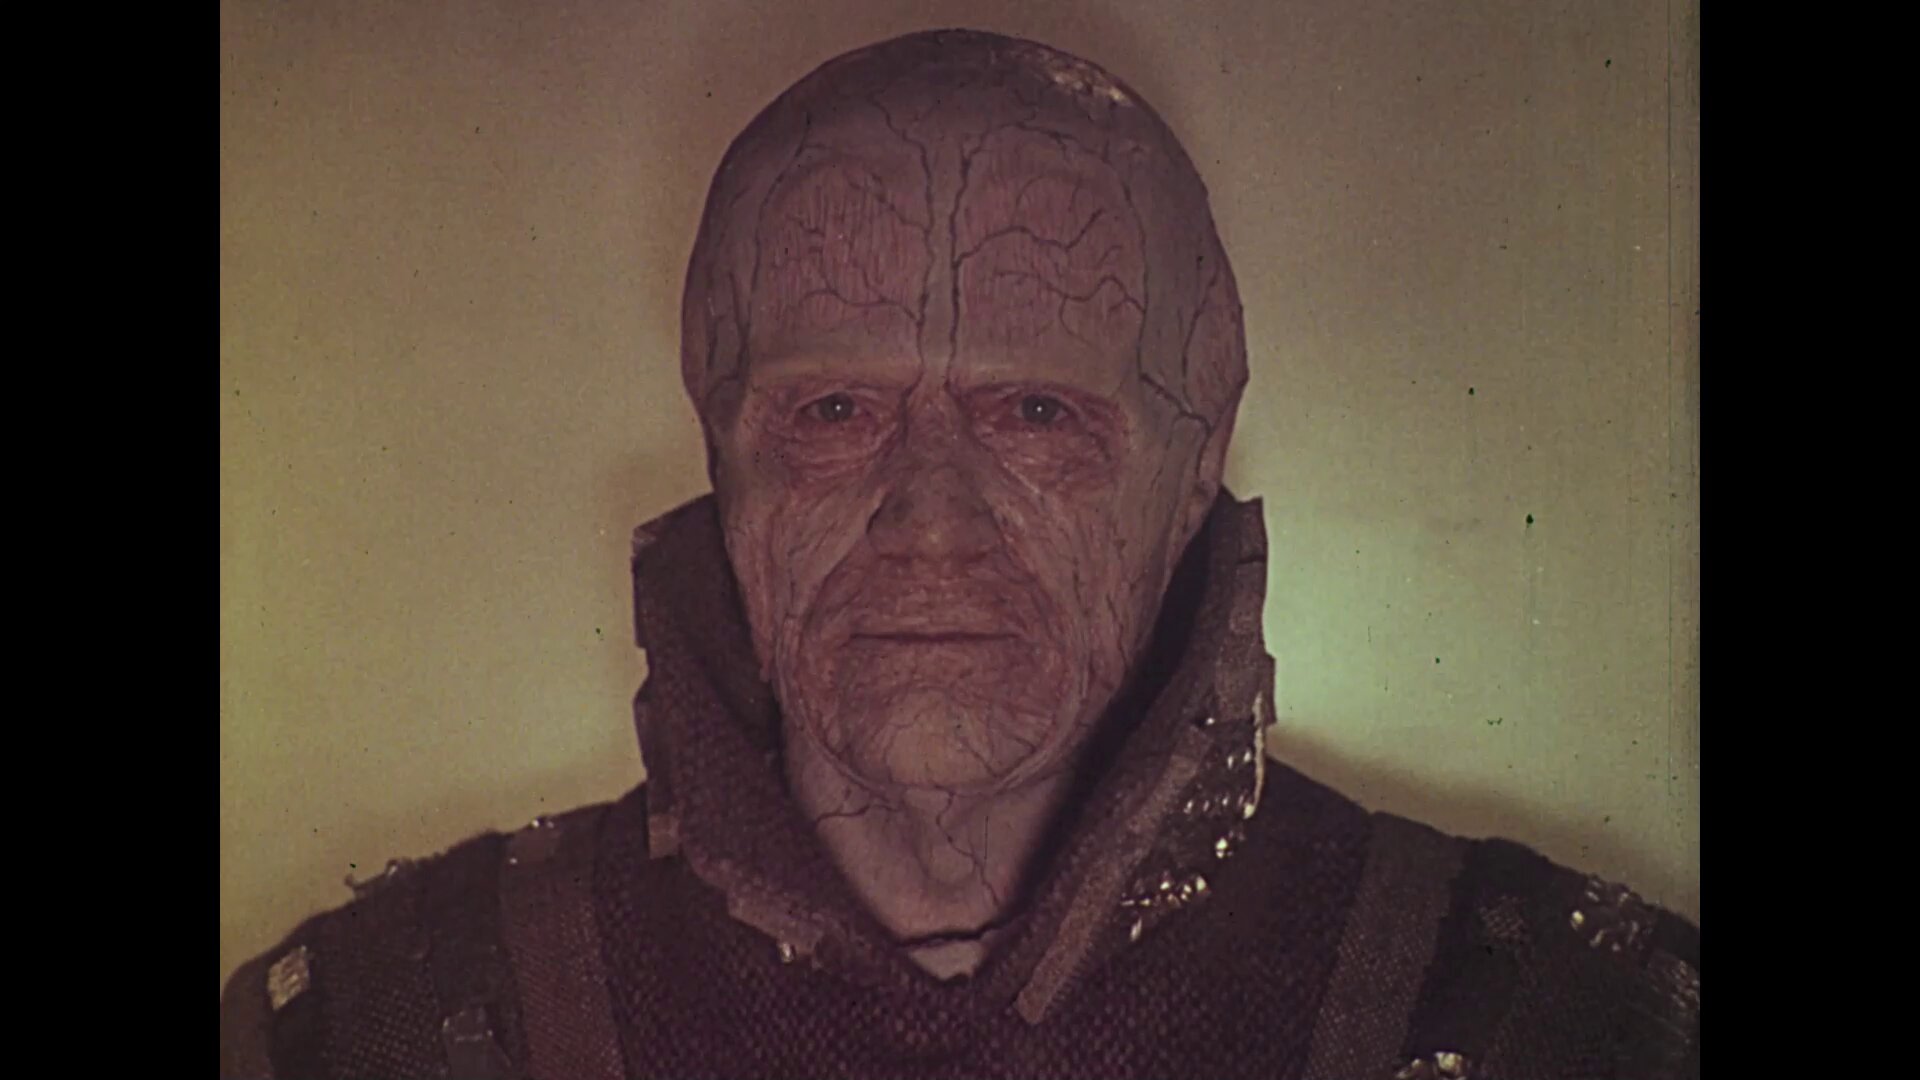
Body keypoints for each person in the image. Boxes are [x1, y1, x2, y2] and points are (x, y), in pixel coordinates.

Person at [220, 29, 1697, 1079]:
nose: (931, 517)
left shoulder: (1550, 1022)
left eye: (1038, 413)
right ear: (721, 448)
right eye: (835, 412)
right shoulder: (384, 1023)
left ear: (1195, 458)